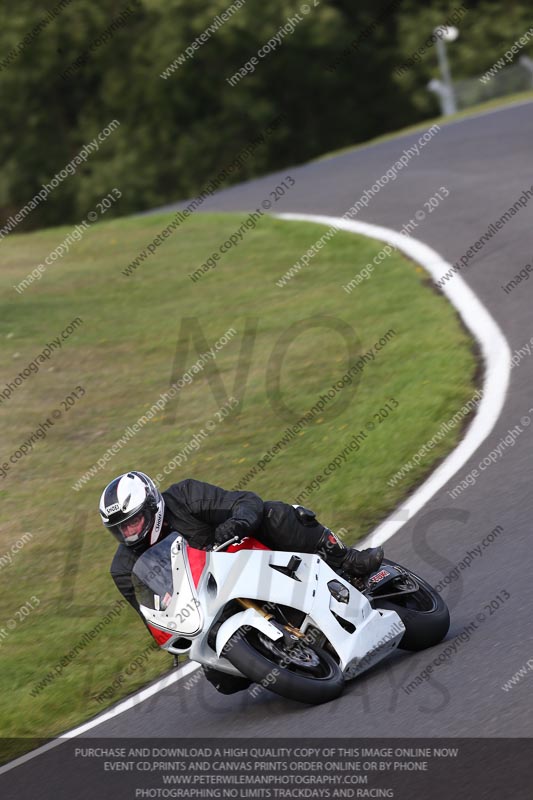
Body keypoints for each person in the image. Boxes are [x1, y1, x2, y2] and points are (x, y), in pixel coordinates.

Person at [99, 470, 383, 693]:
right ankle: (272, 653)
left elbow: (245, 501)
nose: (129, 533)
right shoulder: (123, 568)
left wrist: (235, 524)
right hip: (205, 605)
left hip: (240, 557)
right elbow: (149, 615)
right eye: (121, 528)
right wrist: (167, 614)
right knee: (226, 683)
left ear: (152, 507)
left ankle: (347, 560)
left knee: (275, 514)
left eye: (133, 522)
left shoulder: (184, 496)